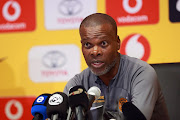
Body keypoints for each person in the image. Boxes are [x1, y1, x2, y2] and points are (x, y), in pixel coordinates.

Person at [63, 13, 169, 120]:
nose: (95, 52)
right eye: (87, 45)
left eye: (103, 43)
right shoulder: (77, 87)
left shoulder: (141, 73)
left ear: (117, 43)